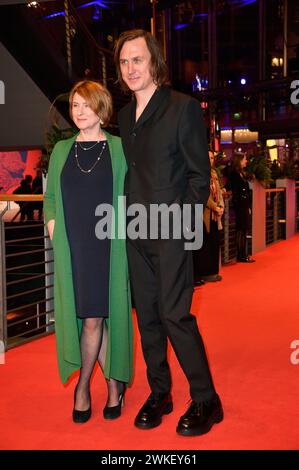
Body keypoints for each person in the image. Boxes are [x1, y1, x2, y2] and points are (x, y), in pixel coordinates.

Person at [114, 29, 223, 436]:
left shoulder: (183, 108)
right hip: (134, 231)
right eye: (124, 62)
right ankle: (160, 392)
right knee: (148, 319)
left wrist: (181, 224)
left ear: (154, 61)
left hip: (171, 231)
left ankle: (207, 399)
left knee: (175, 315)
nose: (130, 69)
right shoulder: (124, 117)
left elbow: (199, 176)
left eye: (137, 59)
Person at [44, 80, 133, 424]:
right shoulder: (62, 151)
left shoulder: (120, 149)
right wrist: (53, 229)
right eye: (75, 106)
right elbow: (51, 199)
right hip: (74, 247)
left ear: (102, 108)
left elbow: (133, 195)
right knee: (92, 317)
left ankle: (94, 387)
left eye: (86, 105)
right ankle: (104, 386)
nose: (79, 112)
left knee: (98, 317)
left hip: (109, 246)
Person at [193, 150, 224, 283]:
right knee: (204, 244)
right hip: (203, 214)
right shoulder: (199, 174)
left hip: (215, 216)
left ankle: (213, 272)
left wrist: (221, 207)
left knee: (214, 242)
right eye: (208, 157)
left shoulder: (214, 173)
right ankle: (204, 273)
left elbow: (219, 193)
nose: (210, 160)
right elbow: (203, 194)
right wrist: (214, 207)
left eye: (212, 158)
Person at [226, 152, 255, 263]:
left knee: (243, 229)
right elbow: (230, 186)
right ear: (239, 161)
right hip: (239, 206)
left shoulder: (241, 173)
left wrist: (248, 206)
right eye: (244, 159)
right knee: (241, 229)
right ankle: (241, 255)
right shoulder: (234, 174)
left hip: (244, 205)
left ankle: (243, 254)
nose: (246, 161)